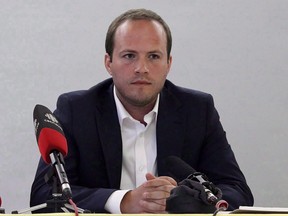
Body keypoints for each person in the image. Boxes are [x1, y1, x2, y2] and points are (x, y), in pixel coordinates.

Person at [30, 8, 254, 213]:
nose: (142, 68)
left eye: (154, 57)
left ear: (169, 63)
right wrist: (124, 201)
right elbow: (43, 196)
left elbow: (238, 191)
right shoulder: (77, 111)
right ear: (109, 63)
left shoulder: (197, 111)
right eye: (129, 56)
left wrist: (193, 201)